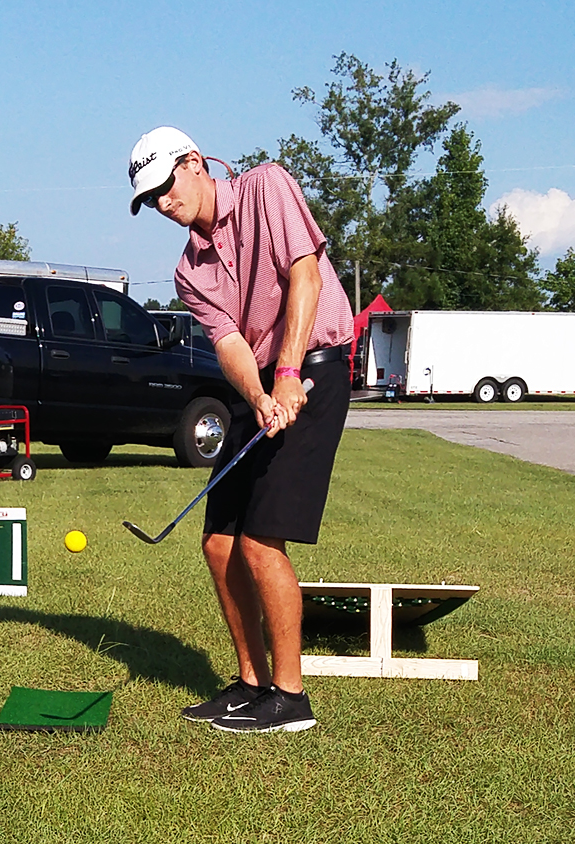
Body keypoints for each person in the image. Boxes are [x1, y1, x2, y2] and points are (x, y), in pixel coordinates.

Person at [128, 126, 355, 733]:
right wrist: (257, 392)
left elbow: (304, 277)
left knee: (260, 540)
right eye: (150, 200)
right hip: (261, 384)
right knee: (219, 541)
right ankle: (251, 682)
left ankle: (290, 697)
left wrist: (286, 373)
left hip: (314, 368)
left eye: (164, 187)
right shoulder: (188, 271)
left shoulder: (266, 186)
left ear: (194, 163)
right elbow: (228, 341)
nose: (162, 204)